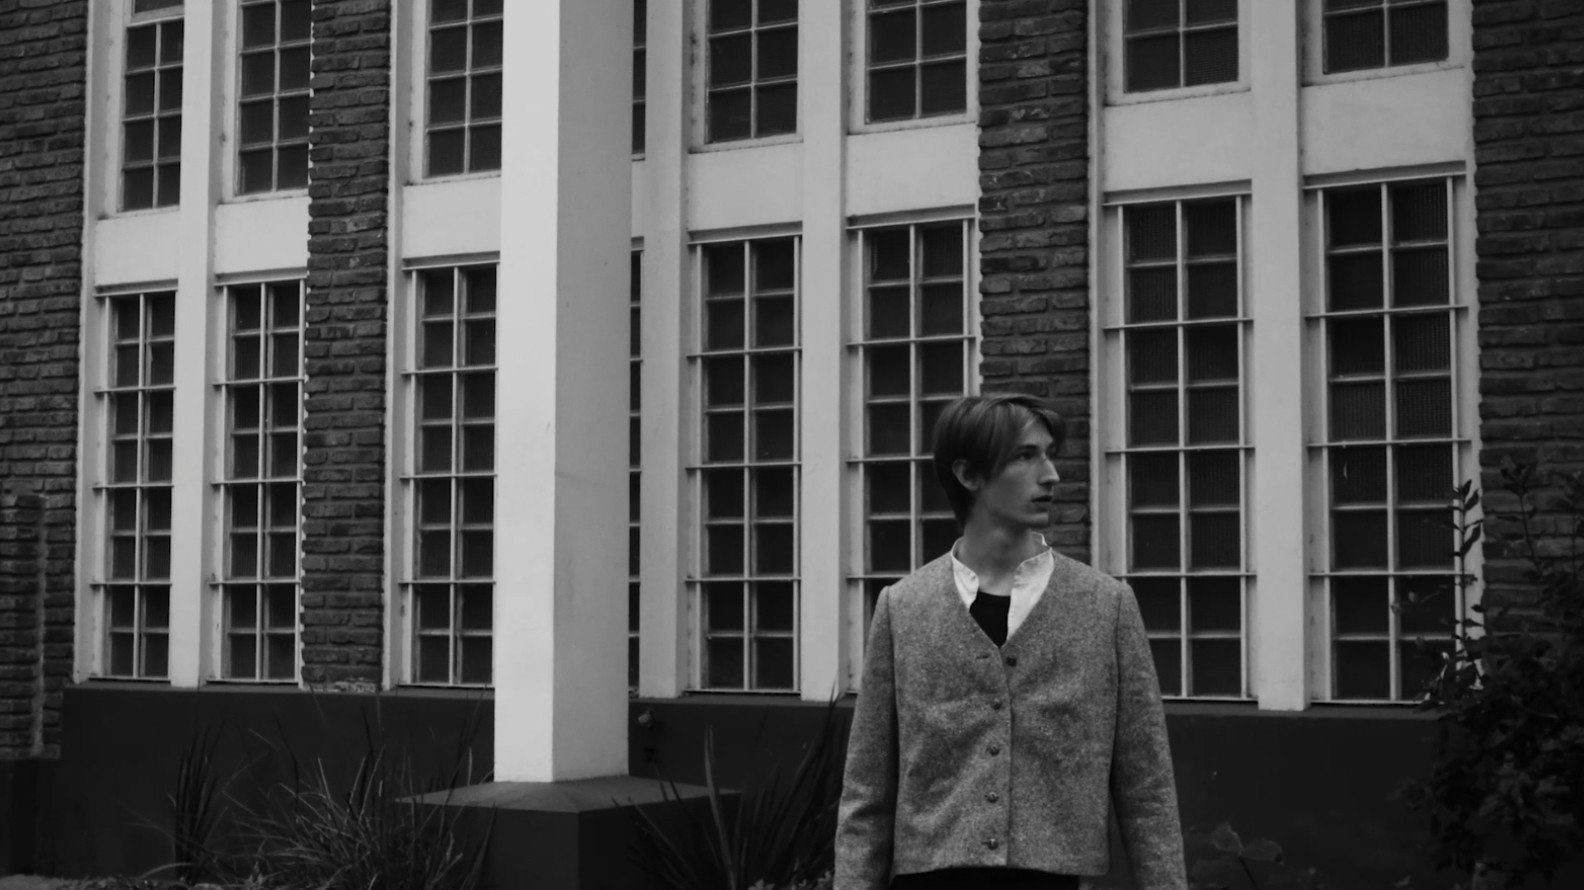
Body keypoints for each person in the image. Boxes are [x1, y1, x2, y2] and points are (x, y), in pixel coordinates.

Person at [835, 393, 1186, 890]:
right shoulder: (903, 608)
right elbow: (867, 793)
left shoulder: (1105, 606)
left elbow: (1147, 788)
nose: (1051, 475)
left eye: (1049, 455)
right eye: (1025, 456)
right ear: (968, 474)